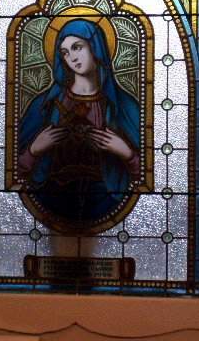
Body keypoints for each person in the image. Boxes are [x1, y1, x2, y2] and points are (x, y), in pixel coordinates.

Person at [17, 18, 140, 232]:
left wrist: (127, 153)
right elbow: (12, 173)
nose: (72, 58)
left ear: (96, 47)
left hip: (107, 205)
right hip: (52, 203)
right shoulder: (44, 106)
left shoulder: (124, 107)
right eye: (64, 53)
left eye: (77, 47)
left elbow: (151, 177)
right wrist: (33, 150)